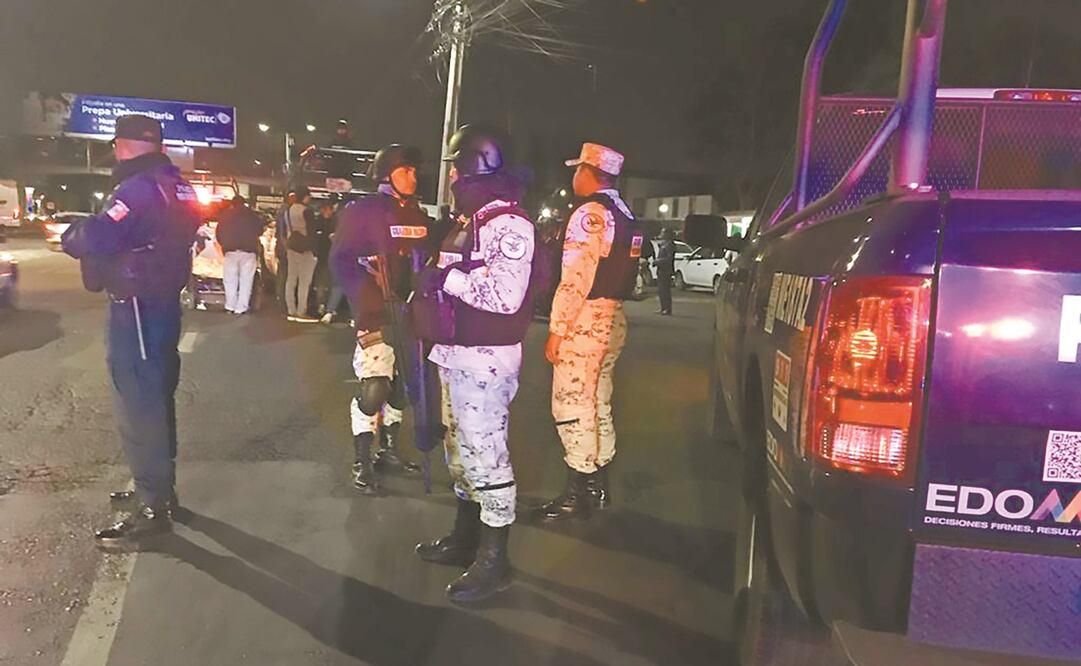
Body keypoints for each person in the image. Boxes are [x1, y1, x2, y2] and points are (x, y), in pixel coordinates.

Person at [60, 115, 200, 550]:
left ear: (123, 145)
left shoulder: (138, 189)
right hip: (161, 303)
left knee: (138, 403)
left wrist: (75, 231)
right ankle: (159, 489)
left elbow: (99, 236)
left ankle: (153, 507)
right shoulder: (179, 185)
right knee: (156, 398)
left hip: (136, 307)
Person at [414, 125, 535, 604]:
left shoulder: (508, 223)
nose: (448, 180)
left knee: (487, 458)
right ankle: (466, 540)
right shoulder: (472, 218)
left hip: (485, 359)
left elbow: (505, 296)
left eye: (454, 170)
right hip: (456, 352)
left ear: (472, 168)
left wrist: (447, 279)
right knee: (461, 456)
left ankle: (494, 561)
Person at [538, 142, 643, 523]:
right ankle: (599, 483)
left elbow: (575, 278)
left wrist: (557, 329)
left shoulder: (591, 215)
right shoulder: (625, 213)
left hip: (586, 319)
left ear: (589, 173)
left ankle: (575, 492)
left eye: (577, 170)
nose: (573, 177)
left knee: (572, 403)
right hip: (614, 317)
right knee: (598, 401)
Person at [330, 144, 429, 493]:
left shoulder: (417, 214)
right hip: (375, 312)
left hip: (410, 312)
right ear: (386, 174)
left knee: (401, 389)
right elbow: (340, 261)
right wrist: (366, 296)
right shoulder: (362, 211)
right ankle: (363, 457)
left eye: (415, 171)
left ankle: (389, 451)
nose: (413, 177)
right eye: (406, 170)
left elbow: (425, 261)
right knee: (375, 387)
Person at [216, 195, 266, 314]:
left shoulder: (225, 215)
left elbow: (218, 234)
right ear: (244, 203)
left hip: (230, 251)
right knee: (246, 280)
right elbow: (260, 230)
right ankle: (241, 308)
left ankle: (230, 306)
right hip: (248, 251)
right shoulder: (252, 215)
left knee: (230, 280)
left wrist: (225, 244)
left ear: (232, 204)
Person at [284, 188, 318, 321]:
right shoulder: (307, 211)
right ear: (305, 197)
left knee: (291, 279)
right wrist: (314, 251)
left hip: (291, 247)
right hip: (305, 249)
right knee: (304, 281)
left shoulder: (288, 210)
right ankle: (301, 311)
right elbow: (312, 232)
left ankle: (290, 309)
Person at [274, 191, 297, 307]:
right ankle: (284, 298)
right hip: (285, 247)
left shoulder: (282, 211)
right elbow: (282, 232)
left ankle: (281, 296)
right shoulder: (286, 211)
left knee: (283, 272)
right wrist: (286, 246)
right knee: (286, 272)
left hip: (282, 246)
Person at [655, 227, 676, 316]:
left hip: (666, 270)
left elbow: (669, 258)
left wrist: (658, 261)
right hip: (661, 269)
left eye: (663, 233)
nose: (662, 234)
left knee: (665, 290)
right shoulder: (664, 244)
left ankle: (667, 309)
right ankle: (663, 308)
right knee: (661, 290)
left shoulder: (670, 245)